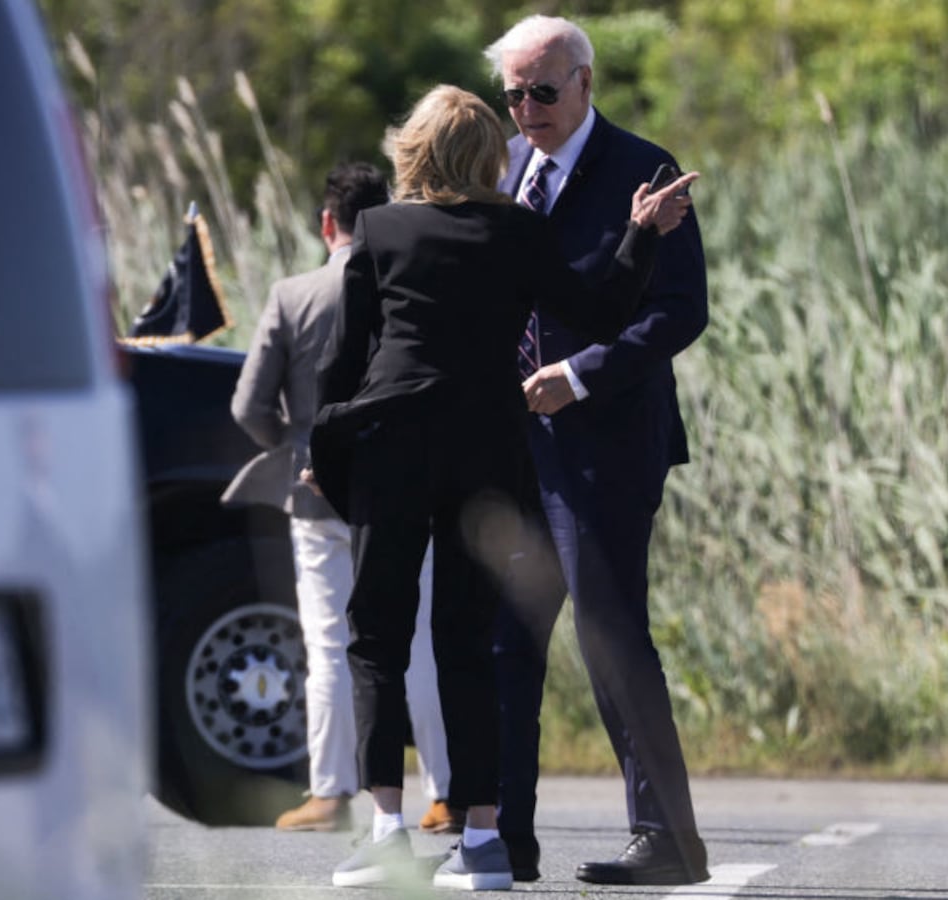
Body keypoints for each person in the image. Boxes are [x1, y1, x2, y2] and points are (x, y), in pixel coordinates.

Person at [311, 84, 694, 891]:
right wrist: (638, 233)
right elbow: (600, 307)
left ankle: (386, 831)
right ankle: (485, 842)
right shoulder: (517, 230)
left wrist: (328, 444)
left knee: (378, 636)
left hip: (392, 445)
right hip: (487, 450)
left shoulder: (378, 231)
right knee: (467, 641)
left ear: (412, 150)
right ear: (490, 154)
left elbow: (343, 361)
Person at [484, 15, 712, 887]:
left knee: (610, 633)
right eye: (514, 93)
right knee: (507, 639)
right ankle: (501, 837)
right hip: (514, 451)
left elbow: (680, 310)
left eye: (543, 90)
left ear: (585, 83)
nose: (527, 108)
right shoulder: (502, 169)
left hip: (606, 444)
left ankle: (667, 839)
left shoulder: (642, 168)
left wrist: (579, 375)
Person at [223, 162, 463, 836]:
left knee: (329, 643)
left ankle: (330, 794)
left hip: (317, 491)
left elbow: (247, 403)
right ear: (383, 218)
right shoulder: (406, 289)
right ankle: (444, 792)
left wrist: (295, 442)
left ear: (327, 223)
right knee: (416, 641)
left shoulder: (292, 293)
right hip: (401, 487)